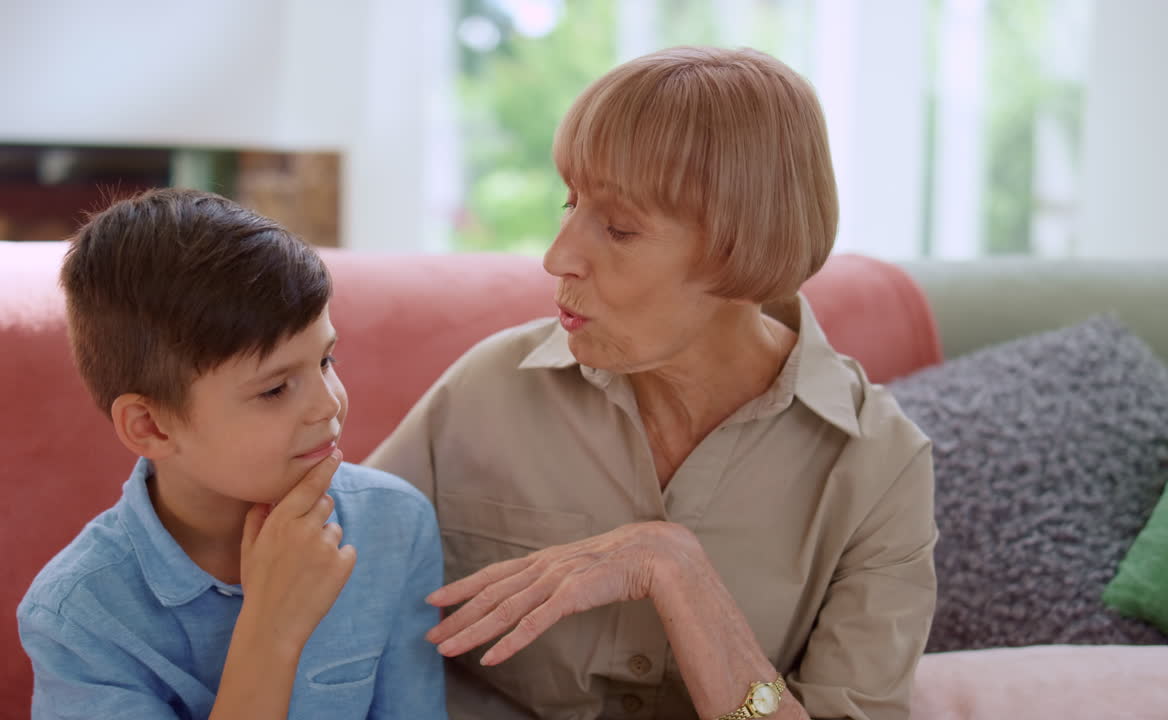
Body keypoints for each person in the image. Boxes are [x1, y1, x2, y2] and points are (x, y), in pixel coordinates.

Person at [368, 46, 936, 720]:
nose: (557, 257)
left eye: (617, 227)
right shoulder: (487, 391)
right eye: (569, 202)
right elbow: (328, 589)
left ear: (741, 247)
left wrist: (680, 575)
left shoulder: (879, 467)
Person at [17, 189, 446, 720]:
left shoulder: (395, 526)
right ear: (150, 425)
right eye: (274, 390)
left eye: (326, 360)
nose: (327, 404)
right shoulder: (78, 616)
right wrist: (271, 628)